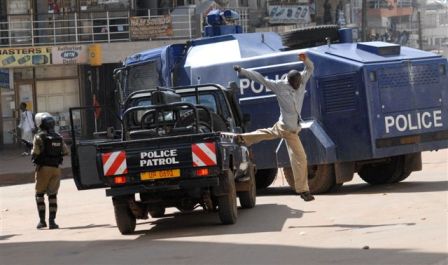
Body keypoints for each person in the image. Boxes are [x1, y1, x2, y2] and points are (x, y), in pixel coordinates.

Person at [223, 53, 315, 201]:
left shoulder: (302, 81)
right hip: (285, 127)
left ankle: (242, 139)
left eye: (299, 83)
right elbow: (261, 79)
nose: (298, 86)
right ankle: (304, 190)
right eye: (295, 84)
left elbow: (310, 68)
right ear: (290, 81)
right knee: (301, 157)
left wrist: (306, 60)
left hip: (292, 129)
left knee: (276, 140)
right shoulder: (280, 86)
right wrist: (242, 71)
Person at [31, 112, 69, 229]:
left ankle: (42, 222)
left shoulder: (38, 137)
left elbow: (35, 153)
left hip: (43, 169)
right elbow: (65, 152)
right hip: (56, 169)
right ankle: (52, 222)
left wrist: (32, 149)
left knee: (39, 194)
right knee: (53, 195)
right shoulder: (58, 136)